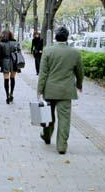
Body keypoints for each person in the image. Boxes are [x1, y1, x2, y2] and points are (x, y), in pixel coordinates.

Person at [37, 26, 83, 154]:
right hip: (66, 91)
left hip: (50, 89)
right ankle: (62, 146)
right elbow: (79, 72)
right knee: (64, 119)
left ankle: (46, 136)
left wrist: (39, 90)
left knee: (48, 116)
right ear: (67, 37)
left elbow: (43, 73)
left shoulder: (48, 51)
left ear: (55, 37)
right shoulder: (74, 53)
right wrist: (79, 84)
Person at [0, 30, 20, 104]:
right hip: (14, 62)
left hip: (5, 62)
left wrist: (0, 64)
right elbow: (19, 53)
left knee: (6, 79)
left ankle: (7, 96)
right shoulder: (16, 43)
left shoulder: (1, 44)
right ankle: (11, 93)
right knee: (12, 78)